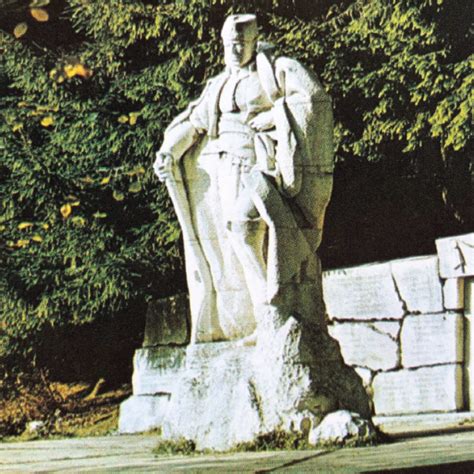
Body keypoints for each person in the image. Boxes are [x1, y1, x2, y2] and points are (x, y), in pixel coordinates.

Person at [154, 14, 333, 344]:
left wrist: (273, 116)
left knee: (243, 227)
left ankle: (272, 311)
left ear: (253, 42)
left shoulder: (273, 71)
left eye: (241, 44)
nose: (235, 50)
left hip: (259, 166)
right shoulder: (219, 84)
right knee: (227, 248)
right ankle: (253, 320)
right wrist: (169, 151)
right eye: (229, 45)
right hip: (219, 171)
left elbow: (311, 100)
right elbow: (196, 122)